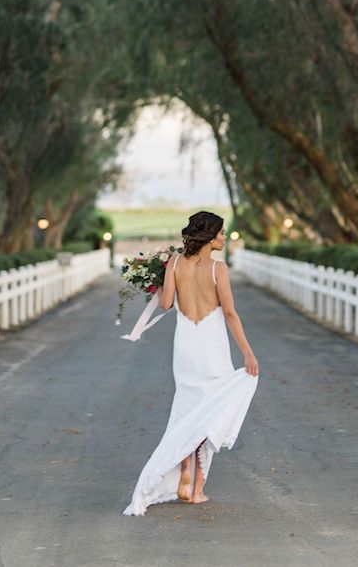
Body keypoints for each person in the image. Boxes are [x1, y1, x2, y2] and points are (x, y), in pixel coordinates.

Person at [122, 211, 260, 516]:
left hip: (185, 347)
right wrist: (248, 353)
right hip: (212, 347)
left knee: (187, 409)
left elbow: (166, 304)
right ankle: (196, 489)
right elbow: (230, 314)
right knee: (209, 411)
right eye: (222, 234)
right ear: (210, 237)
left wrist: (164, 275)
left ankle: (185, 475)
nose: (224, 238)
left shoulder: (174, 263)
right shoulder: (218, 269)